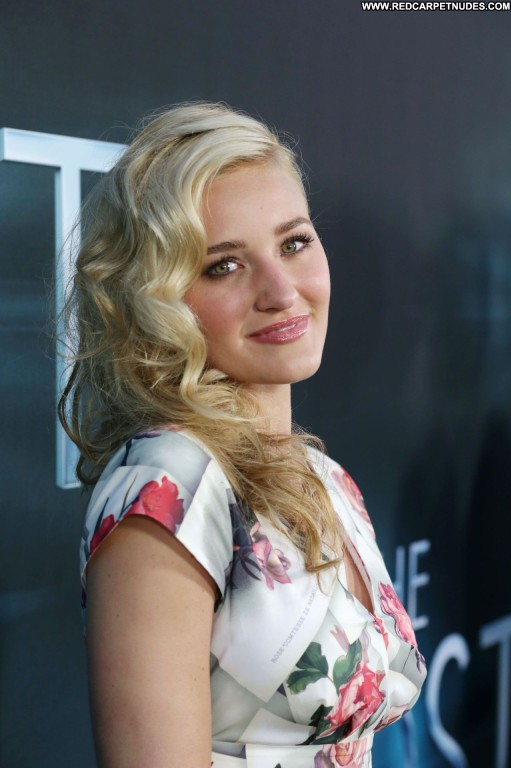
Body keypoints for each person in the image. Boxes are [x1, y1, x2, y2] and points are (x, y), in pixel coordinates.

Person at [59, 102, 426, 768]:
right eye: (223, 266)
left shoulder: (326, 478)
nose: (281, 291)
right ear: (157, 299)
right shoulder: (166, 488)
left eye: (294, 243)